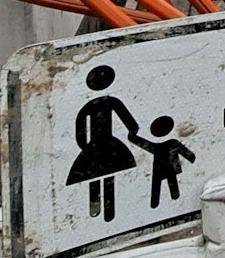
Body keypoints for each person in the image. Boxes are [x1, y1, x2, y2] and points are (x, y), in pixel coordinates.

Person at [65, 65, 140, 222]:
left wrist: (84, 145)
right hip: (103, 145)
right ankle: (103, 209)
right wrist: (133, 130)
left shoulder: (95, 104)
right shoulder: (107, 102)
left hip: (100, 145)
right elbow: (129, 121)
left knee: (103, 175)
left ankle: (103, 209)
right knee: (103, 176)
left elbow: (81, 127)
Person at [130, 116, 196, 208]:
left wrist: (133, 137)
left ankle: (156, 202)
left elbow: (145, 144)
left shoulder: (159, 146)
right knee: (168, 182)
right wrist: (191, 157)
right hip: (168, 167)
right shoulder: (171, 142)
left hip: (161, 168)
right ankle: (165, 199)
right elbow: (186, 152)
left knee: (158, 185)